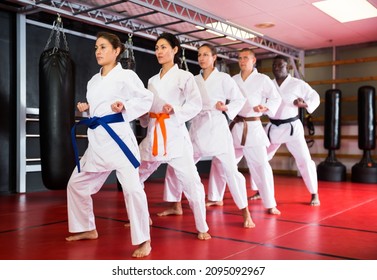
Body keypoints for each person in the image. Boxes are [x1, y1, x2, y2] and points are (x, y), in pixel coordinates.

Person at [66, 32, 153, 258]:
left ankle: (144, 240)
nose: (98, 52)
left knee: (133, 190)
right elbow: (98, 108)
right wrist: (85, 109)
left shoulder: (127, 76)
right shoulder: (93, 81)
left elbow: (146, 99)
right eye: (96, 47)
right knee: (76, 184)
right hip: (97, 142)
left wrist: (123, 105)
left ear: (116, 51)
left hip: (118, 140)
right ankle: (87, 228)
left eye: (103, 47)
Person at [160, 44, 255, 228]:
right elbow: (184, 101)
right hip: (197, 126)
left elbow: (239, 99)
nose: (201, 58)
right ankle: (175, 204)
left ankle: (245, 212)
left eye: (205, 55)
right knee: (176, 166)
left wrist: (225, 108)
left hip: (217, 125)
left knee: (231, 171)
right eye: (199, 55)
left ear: (214, 57)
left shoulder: (224, 78)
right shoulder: (193, 79)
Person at [138, 33, 211, 240]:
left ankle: (202, 226)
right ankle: (141, 218)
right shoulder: (152, 80)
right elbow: (148, 107)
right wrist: (144, 115)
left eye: (163, 47)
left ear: (175, 50)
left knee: (191, 181)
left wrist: (176, 110)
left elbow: (195, 104)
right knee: (134, 178)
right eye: (157, 48)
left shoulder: (185, 76)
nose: (159, 52)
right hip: (154, 133)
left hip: (175, 135)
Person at [206, 48, 282, 215]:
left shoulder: (263, 79)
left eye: (245, 58)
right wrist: (221, 104)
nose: (242, 61)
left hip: (253, 127)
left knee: (261, 166)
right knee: (220, 162)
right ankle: (215, 196)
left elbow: (276, 98)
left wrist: (266, 107)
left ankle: (270, 203)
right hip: (235, 126)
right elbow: (223, 97)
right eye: (240, 58)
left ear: (253, 60)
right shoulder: (233, 79)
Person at [266, 55, 320, 206]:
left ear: (288, 67)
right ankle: (260, 190)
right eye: (274, 65)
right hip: (272, 127)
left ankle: (314, 193)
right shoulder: (268, 84)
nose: (276, 68)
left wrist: (305, 103)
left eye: (280, 65)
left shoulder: (297, 84)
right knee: (260, 159)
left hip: (292, 128)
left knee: (304, 160)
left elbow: (314, 96)